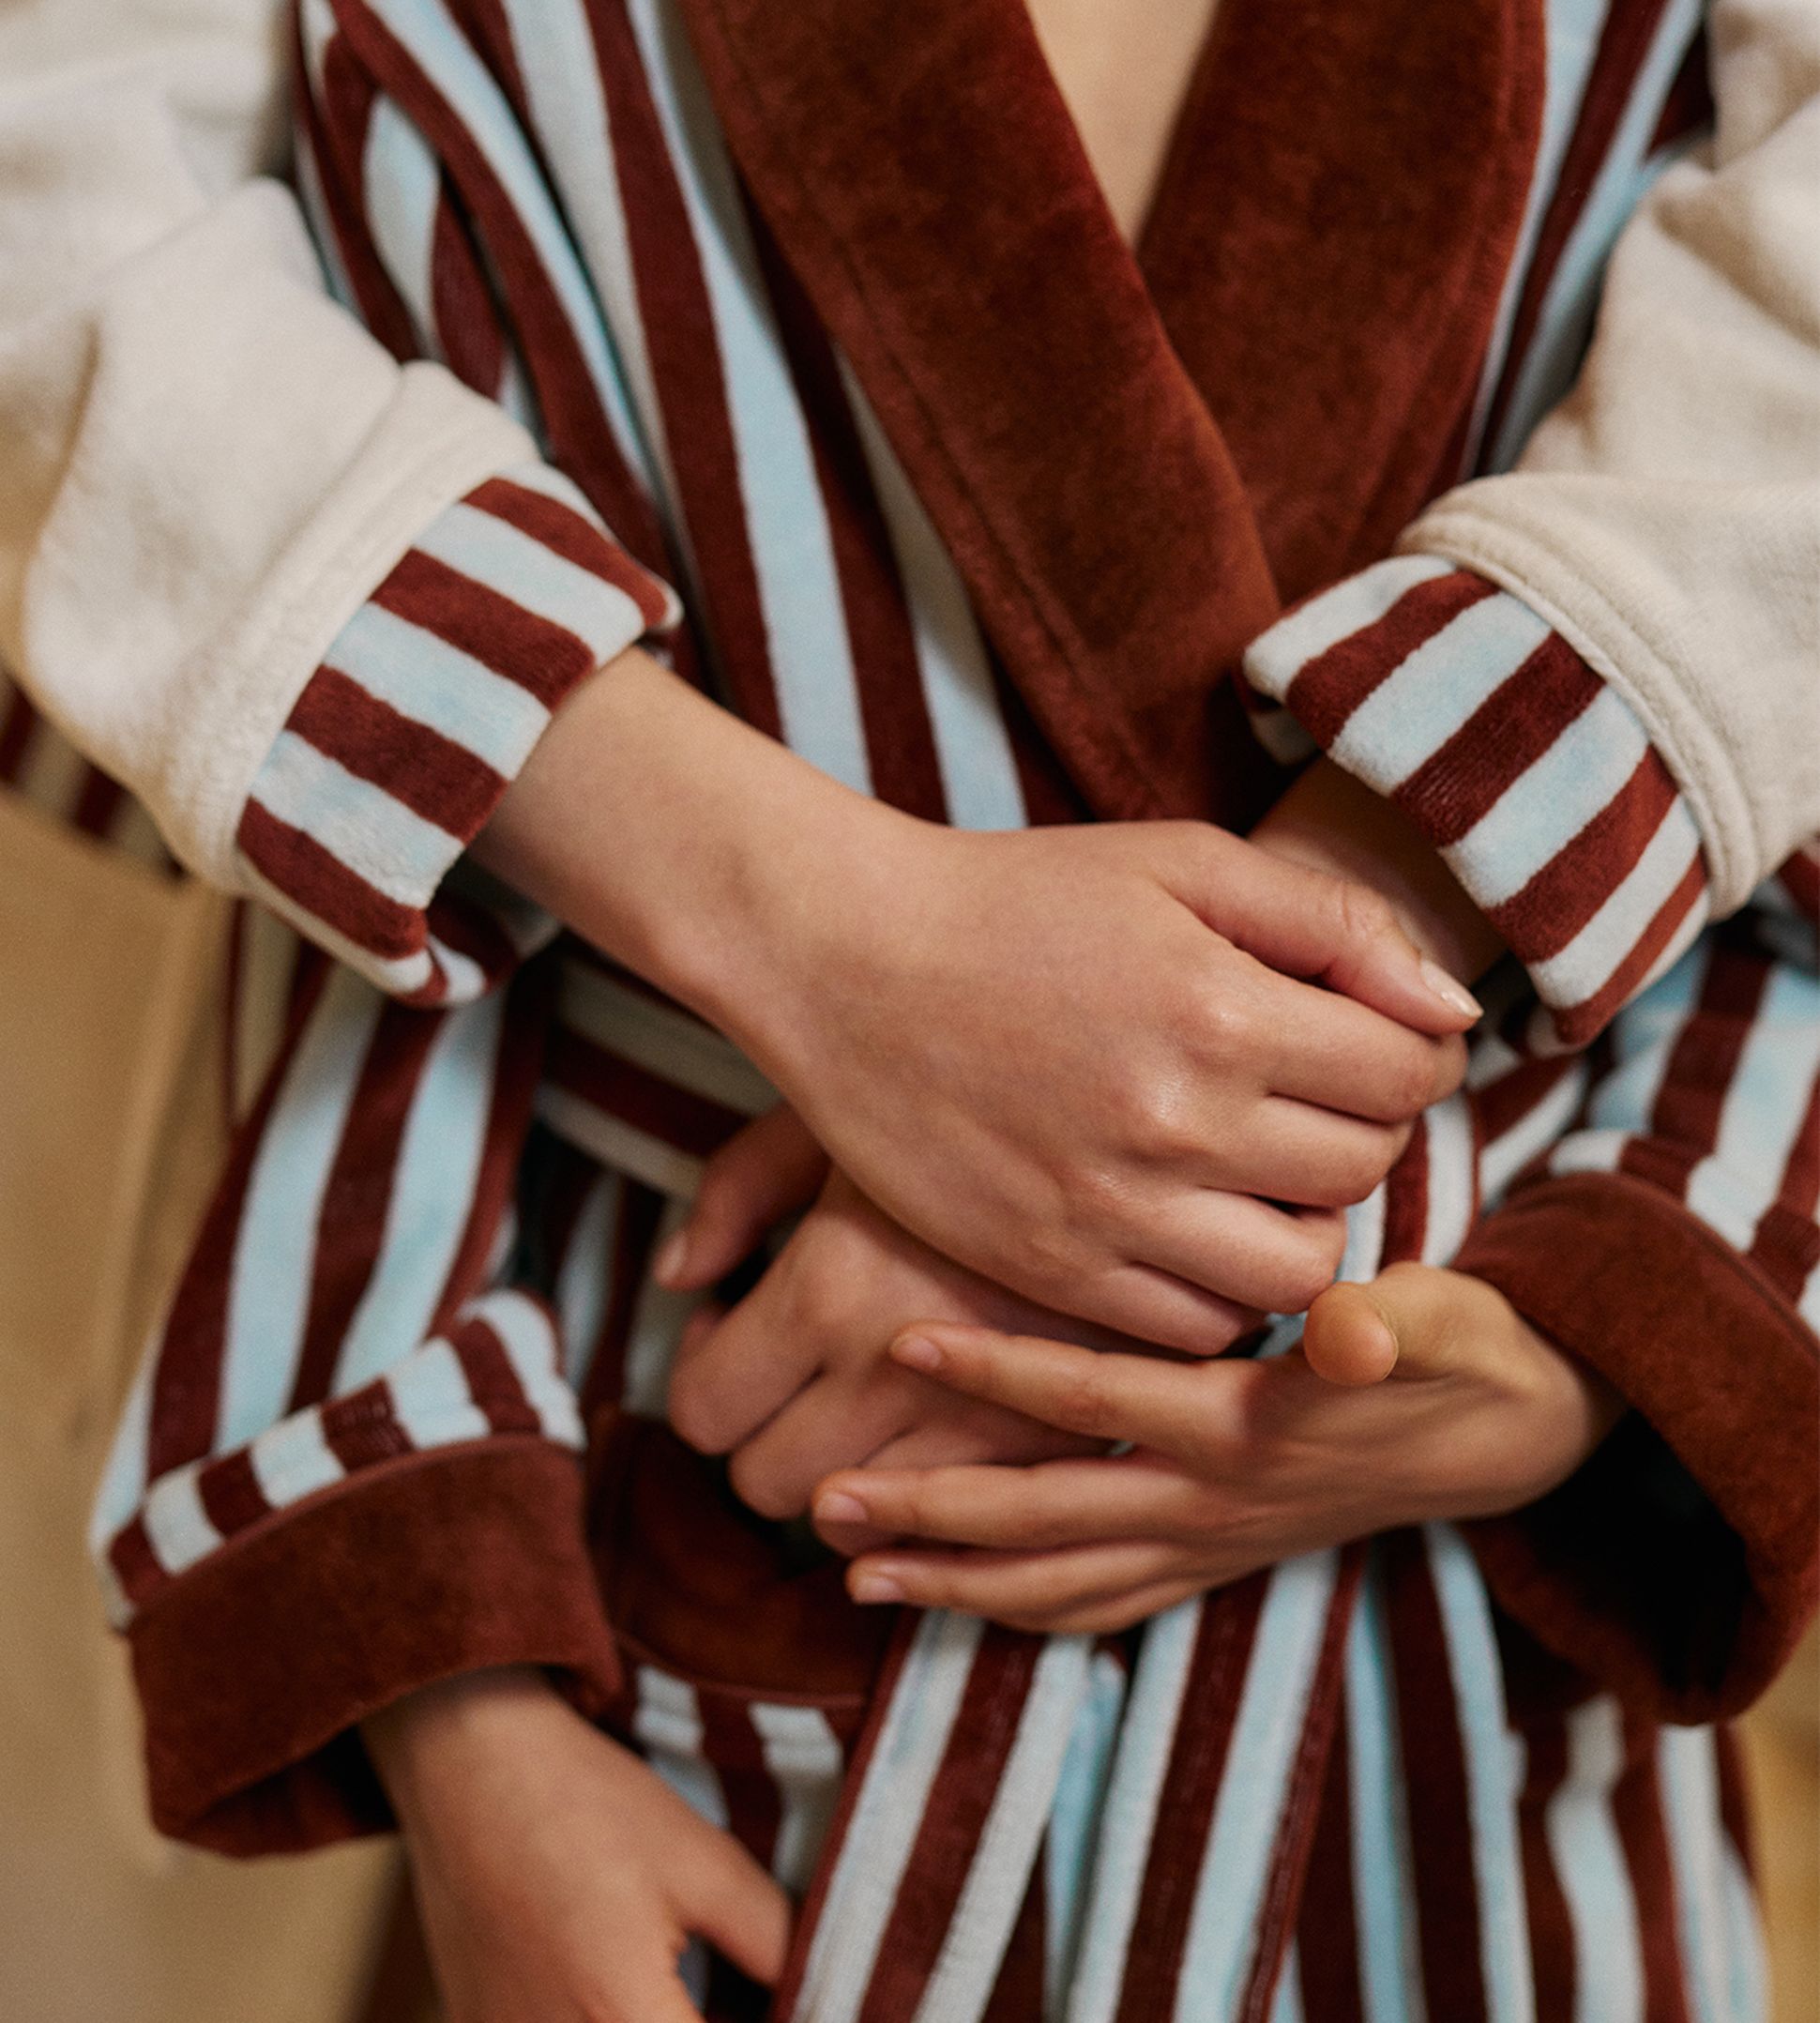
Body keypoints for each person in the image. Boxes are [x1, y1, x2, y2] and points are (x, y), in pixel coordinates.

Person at [2, 0, 1816, 2016]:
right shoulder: (428, 59)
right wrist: (470, 1723)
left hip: (1450, 1739)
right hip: (682, 1697)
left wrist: (1575, 1357)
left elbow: (1782, 763)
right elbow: (331, 828)